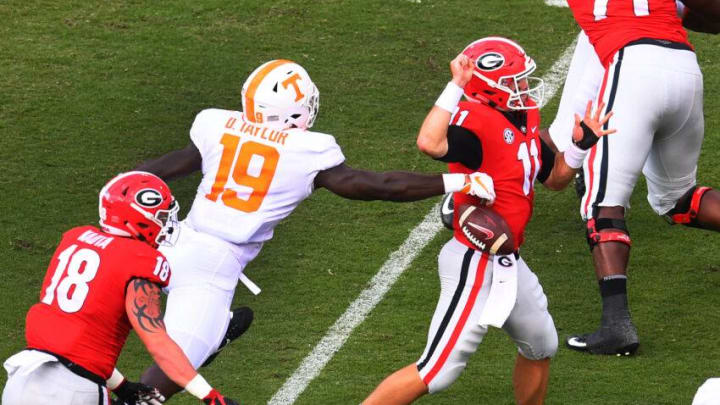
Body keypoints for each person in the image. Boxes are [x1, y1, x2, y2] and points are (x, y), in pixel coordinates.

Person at [130, 59, 495, 400]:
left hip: (168, 240)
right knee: (167, 376)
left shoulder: (216, 124)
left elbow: (159, 168)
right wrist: (456, 181)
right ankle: (210, 336)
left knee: (95, 323)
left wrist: (121, 191)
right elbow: (376, 185)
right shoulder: (307, 149)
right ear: (292, 112)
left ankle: (208, 335)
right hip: (213, 270)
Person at [363, 37, 614, 405]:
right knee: (437, 370)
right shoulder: (475, 123)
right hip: (473, 258)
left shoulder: (523, 118)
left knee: (541, 344)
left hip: (508, 260)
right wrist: (455, 85)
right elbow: (429, 142)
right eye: (514, 83)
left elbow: (556, 179)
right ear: (487, 89)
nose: (524, 89)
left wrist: (580, 145)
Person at [557, 0, 720, 356]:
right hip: (684, 67)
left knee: (603, 205)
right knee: (678, 200)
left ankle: (616, 325)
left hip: (630, 65)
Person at [1, 172, 239, 405]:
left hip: (22, 380)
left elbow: (73, 341)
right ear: (140, 218)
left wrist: (121, 386)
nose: (166, 225)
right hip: (73, 391)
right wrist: (210, 396)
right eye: (162, 217)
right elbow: (157, 342)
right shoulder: (141, 260)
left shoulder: (75, 239)